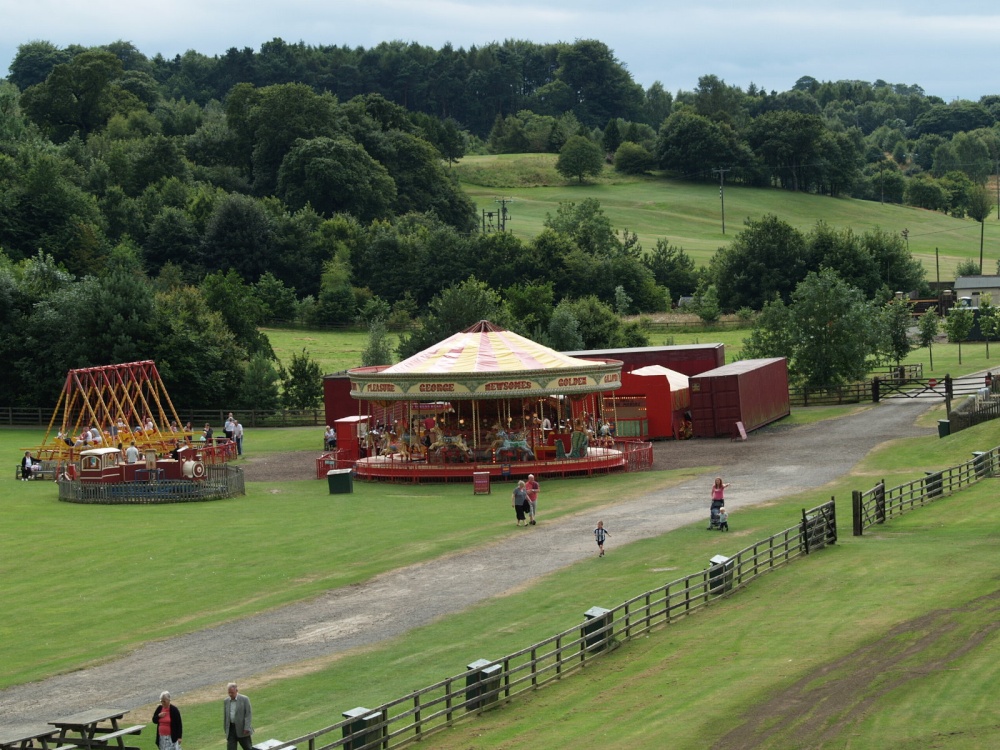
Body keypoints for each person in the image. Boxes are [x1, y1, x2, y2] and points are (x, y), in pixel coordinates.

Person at [223, 682, 253, 750]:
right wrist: (226, 729)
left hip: (243, 730)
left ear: (236, 691)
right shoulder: (226, 701)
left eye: (232, 692)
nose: (230, 694)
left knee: (248, 748)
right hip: (231, 730)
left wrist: (246, 727)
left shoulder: (245, 699)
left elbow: (248, 714)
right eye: (229, 692)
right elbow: (226, 716)